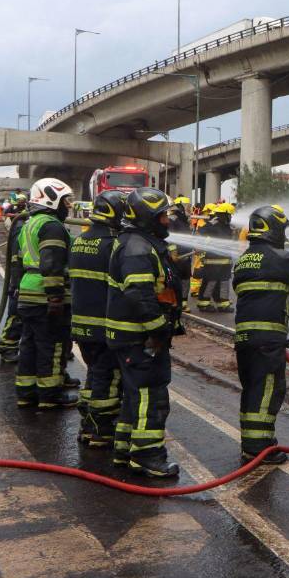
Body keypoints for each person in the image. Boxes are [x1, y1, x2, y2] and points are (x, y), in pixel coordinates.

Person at [106, 187, 184, 478]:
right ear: (147, 217)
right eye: (162, 215)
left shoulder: (139, 243)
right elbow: (140, 295)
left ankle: (126, 450)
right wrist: (159, 331)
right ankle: (148, 456)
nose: (167, 220)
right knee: (152, 398)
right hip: (141, 338)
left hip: (135, 337)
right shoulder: (138, 248)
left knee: (134, 396)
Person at [232, 205, 289, 463]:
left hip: (244, 338)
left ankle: (253, 444)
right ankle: (258, 449)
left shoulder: (243, 260)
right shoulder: (285, 259)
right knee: (268, 390)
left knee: (252, 390)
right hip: (268, 340)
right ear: (273, 229)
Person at [70, 191, 126, 446]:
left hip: (81, 324)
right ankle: (101, 431)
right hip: (105, 326)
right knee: (108, 378)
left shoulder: (80, 240)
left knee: (95, 375)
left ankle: (88, 425)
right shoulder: (113, 244)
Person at [14, 178, 76, 409]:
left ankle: (26, 392)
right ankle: (50, 395)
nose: (68, 206)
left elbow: (21, 261)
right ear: (51, 199)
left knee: (29, 344)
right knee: (51, 344)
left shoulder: (29, 223)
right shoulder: (52, 226)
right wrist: (56, 298)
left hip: (29, 290)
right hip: (44, 294)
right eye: (65, 200)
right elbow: (51, 263)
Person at [0, 194, 29, 363]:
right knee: (16, 315)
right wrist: (16, 283)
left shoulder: (28, 221)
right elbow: (17, 257)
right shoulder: (21, 224)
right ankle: (7, 346)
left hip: (27, 280)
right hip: (20, 280)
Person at [196, 203, 235, 312]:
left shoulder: (227, 225)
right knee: (210, 282)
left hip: (225, 260)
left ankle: (223, 304)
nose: (231, 217)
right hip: (212, 260)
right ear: (224, 214)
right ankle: (203, 303)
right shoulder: (213, 223)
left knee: (224, 282)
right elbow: (200, 234)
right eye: (230, 215)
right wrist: (204, 243)